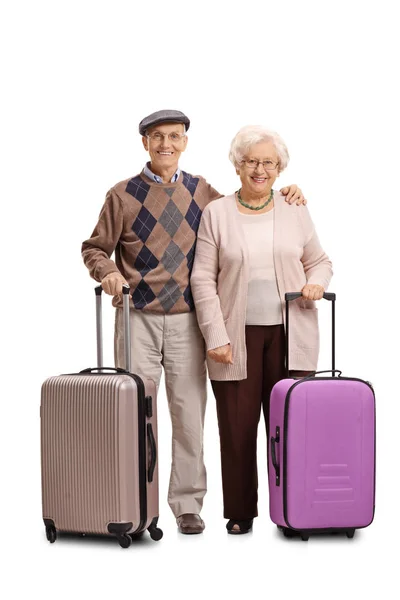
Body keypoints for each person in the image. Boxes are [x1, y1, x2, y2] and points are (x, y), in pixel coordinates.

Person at [81, 111, 307, 535]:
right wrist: (107, 271)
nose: (166, 144)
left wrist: (287, 192)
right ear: (145, 143)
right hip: (137, 319)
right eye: (157, 137)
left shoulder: (202, 192)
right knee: (132, 413)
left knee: (188, 417)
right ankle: (131, 504)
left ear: (185, 142)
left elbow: (248, 206)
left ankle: (187, 506)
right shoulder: (121, 194)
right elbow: (94, 248)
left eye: (175, 137)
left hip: (188, 323)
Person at [191, 125, 333, 535]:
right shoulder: (216, 212)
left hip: (291, 333)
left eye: (268, 162)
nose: (260, 169)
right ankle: (240, 511)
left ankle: (292, 510)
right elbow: (202, 278)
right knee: (236, 430)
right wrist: (216, 335)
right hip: (236, 335)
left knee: (290, 426)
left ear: (279, 168)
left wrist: (316, 282)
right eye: (251, 161)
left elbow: (320, 260)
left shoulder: (294, 208)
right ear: (237, 165)